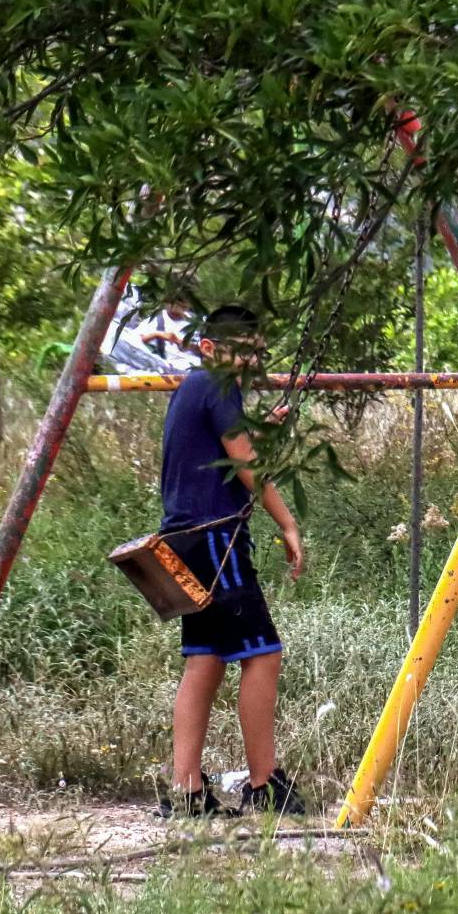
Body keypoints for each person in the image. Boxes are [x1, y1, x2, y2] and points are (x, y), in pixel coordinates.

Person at [157, 304, 307, 817]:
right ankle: (264, 783)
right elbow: (242, 462)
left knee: (205, 658)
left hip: (182, 541)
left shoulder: (195, 388)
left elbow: (219, 450)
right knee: (262, 653)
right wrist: (287, 522)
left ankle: (186, 791)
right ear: (209, 349)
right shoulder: (219, 386)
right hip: (216, 540)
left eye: (257, 354)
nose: (249, 363)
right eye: (241, 352)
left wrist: (258, 427)